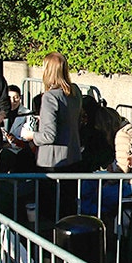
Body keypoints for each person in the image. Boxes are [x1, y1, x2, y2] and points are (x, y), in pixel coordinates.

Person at [24, 52, 83, 216]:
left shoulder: (50, 97)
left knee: (51, 212)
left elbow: (48, 136)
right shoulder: (75, 91)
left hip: (53, 163)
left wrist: (30, 135)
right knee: (68, 209)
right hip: (73, 157)